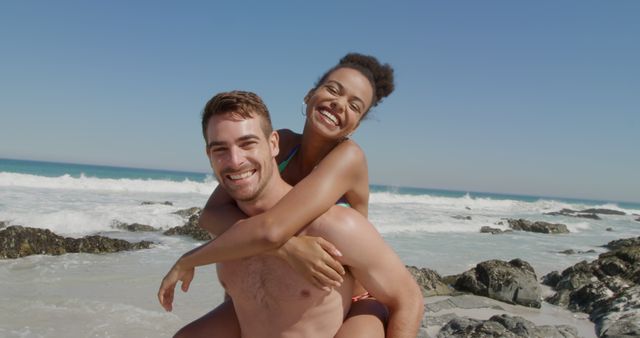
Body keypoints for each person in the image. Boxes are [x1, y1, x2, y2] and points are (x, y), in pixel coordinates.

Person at [159, 53, 417, 337]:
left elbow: (272, 229)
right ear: (309, 95)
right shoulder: (281, 145)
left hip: (351, 293)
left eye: (355, 105)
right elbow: (211, 215)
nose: (338, 103)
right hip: (287, 290)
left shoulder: (348, 158)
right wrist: (289, 248)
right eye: (333, 89)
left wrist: (190, 259)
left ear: (355, 126)